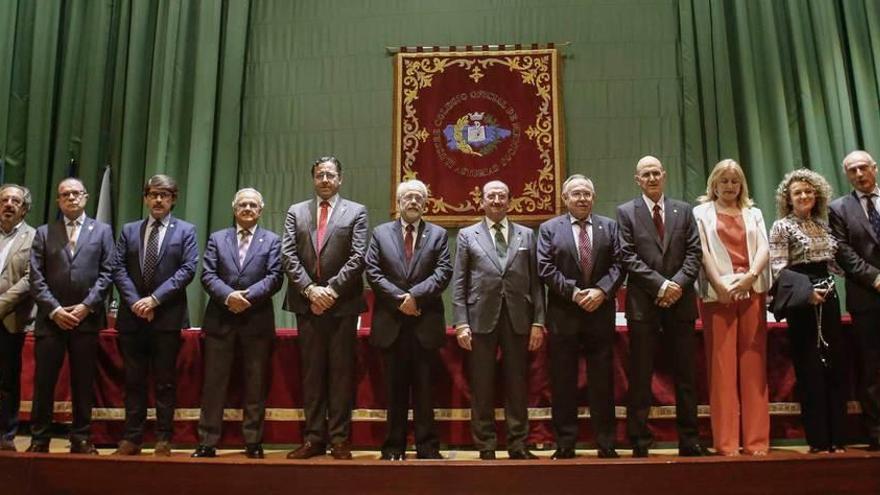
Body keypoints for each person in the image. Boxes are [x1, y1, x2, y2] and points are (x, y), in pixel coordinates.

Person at [616, 155, 707, 457]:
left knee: (686, 377)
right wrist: (660, 285)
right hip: (644, 306)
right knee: (640, 377)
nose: (652, 178)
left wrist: (676, 285)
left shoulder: (684, 210)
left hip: (680, 304)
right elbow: (627, 256)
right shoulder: (626, 212)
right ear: (637, 179)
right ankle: (640, 441)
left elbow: (694, 252)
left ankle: (690, 440)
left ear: (664, 175)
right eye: (646, 174)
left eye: (656, 173)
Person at [281, 156, 368, 460]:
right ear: (313, 178)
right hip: (307, 305)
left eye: (331, 175)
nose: (325, 180)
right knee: (312, 375)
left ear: (340, 179)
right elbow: (288, 254)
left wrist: (330, 291)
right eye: (320, 175)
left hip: (342, 305)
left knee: (341, 375)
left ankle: (341, 440)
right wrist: (310, 291)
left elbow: (359, 257)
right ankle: (314, 438)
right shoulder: (296, 212)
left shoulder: (356, 211)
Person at [452, 180, 545, 460]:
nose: (496, 200)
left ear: (509, 201)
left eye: (501, 196)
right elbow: (460, 282)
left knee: (517, 384)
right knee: (482, 385)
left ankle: (518, 443)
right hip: (479, 318)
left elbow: (537, 284)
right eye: (490, 196)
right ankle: (486, 445)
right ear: (481, 200)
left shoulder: (527, 235)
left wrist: (538, 322)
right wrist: (461, 322)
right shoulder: (467, 235)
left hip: (518, 318)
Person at [191, 188, 283, 459]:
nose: (247, 208)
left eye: (253, 205)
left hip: (257, 323)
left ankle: (253, 442)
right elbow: (207, 275)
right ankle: (207, 441)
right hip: (221, 321)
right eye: (242, 204)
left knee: (256, 385)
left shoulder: (272, 241)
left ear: (261, 211)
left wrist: (247, 297)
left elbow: (275, 277)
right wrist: (229, 296)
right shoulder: (218, 239)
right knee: (214, 385)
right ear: (234, 209)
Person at [537, 174, 624, 459]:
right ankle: (565, 442)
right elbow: (546, 268)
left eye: (587, 193)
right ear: (565, 199)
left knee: (602, 381)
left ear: (594, 198)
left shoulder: (609, 227)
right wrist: (575, 294)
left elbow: (619, 265)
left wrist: (601, 291)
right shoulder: (550, 228)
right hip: (564, 314)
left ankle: (606, 441)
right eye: (576, 193)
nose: (582, 198)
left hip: (600, 312)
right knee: (563, 381)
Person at [365, 179, 452, 460]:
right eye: (408, 197)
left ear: (425, 203)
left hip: (425, 323)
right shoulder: (380, 234)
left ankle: (427, 447)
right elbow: (373, 272)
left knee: (426, 392)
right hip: (391, 323)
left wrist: (414, 297)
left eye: (418, 197)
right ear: (398, 203)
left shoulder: (438, 235)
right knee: (394, 392)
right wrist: (400, 300)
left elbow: (443, 272)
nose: (413, 201)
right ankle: (393, 447)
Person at [112, 174, 199, 456]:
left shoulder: (186, 231)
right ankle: (132, 437)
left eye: (164, 194)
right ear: (146, 198)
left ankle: (163, 437)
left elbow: (187, 270)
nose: (158, 199)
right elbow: (118, 269)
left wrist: (154, 300)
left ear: (173, 199)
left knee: (165, 381)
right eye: (153, 194)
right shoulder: (129, 230)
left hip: (167, 318)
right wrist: (137, 302)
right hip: (132, 317)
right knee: (133, 380)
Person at [27, 178, 114, 454]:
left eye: (76, 194)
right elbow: (36, 277)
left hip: (86, 320)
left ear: (86, 197)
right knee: (44, 384)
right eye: (65, 195)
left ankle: (81, 437)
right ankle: (40, 439)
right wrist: (54, 309)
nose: (71, 198)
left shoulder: (102, 231)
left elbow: (107, 273)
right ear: (58, 201)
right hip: (51, 320)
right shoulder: (44, 232)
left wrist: (86, 306)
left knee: (83, 382)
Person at [693, 159, 771, 456]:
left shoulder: (754, 213)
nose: (729, 186)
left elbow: (764, 248)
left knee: (753, 366)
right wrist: (722, 285)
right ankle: (726, 442)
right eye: (724, 180)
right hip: (719, 295)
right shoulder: (700, 213)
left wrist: (749, 278)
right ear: (714, 183)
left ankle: (756, 442)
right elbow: (702, 251)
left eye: (734, 181)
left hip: (751, 291)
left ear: (742, 185)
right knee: (722, 368)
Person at [769, 168, 847, 453]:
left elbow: (836, 264)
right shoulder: (782, 226)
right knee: (810, 366)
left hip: (829, 295)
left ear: (817, 195)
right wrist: (806, 294)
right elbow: (778, 268)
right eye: (797, 193)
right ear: (789, 199)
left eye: (808, 191)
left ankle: (838, 437)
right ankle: (818, 439)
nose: (804, 196)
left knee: (834, 364)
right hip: (802, 300)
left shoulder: (824, 226)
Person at [830, 150, 880, 451]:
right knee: (871, 369)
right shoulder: (839, 209)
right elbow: (843, 252)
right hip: (866, 298)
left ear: (874, 168)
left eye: (863, 168)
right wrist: (875, 278)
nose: (859, 174)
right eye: (852, 170)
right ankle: (875, 430)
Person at [0, 184, 35, 452]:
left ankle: (5, 435)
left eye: (15, 200)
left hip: (10, 319)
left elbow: (29, 279)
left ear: (24, 208)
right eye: (4, 199)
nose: (9, 204)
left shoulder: (34, 237)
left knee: (7, 380)